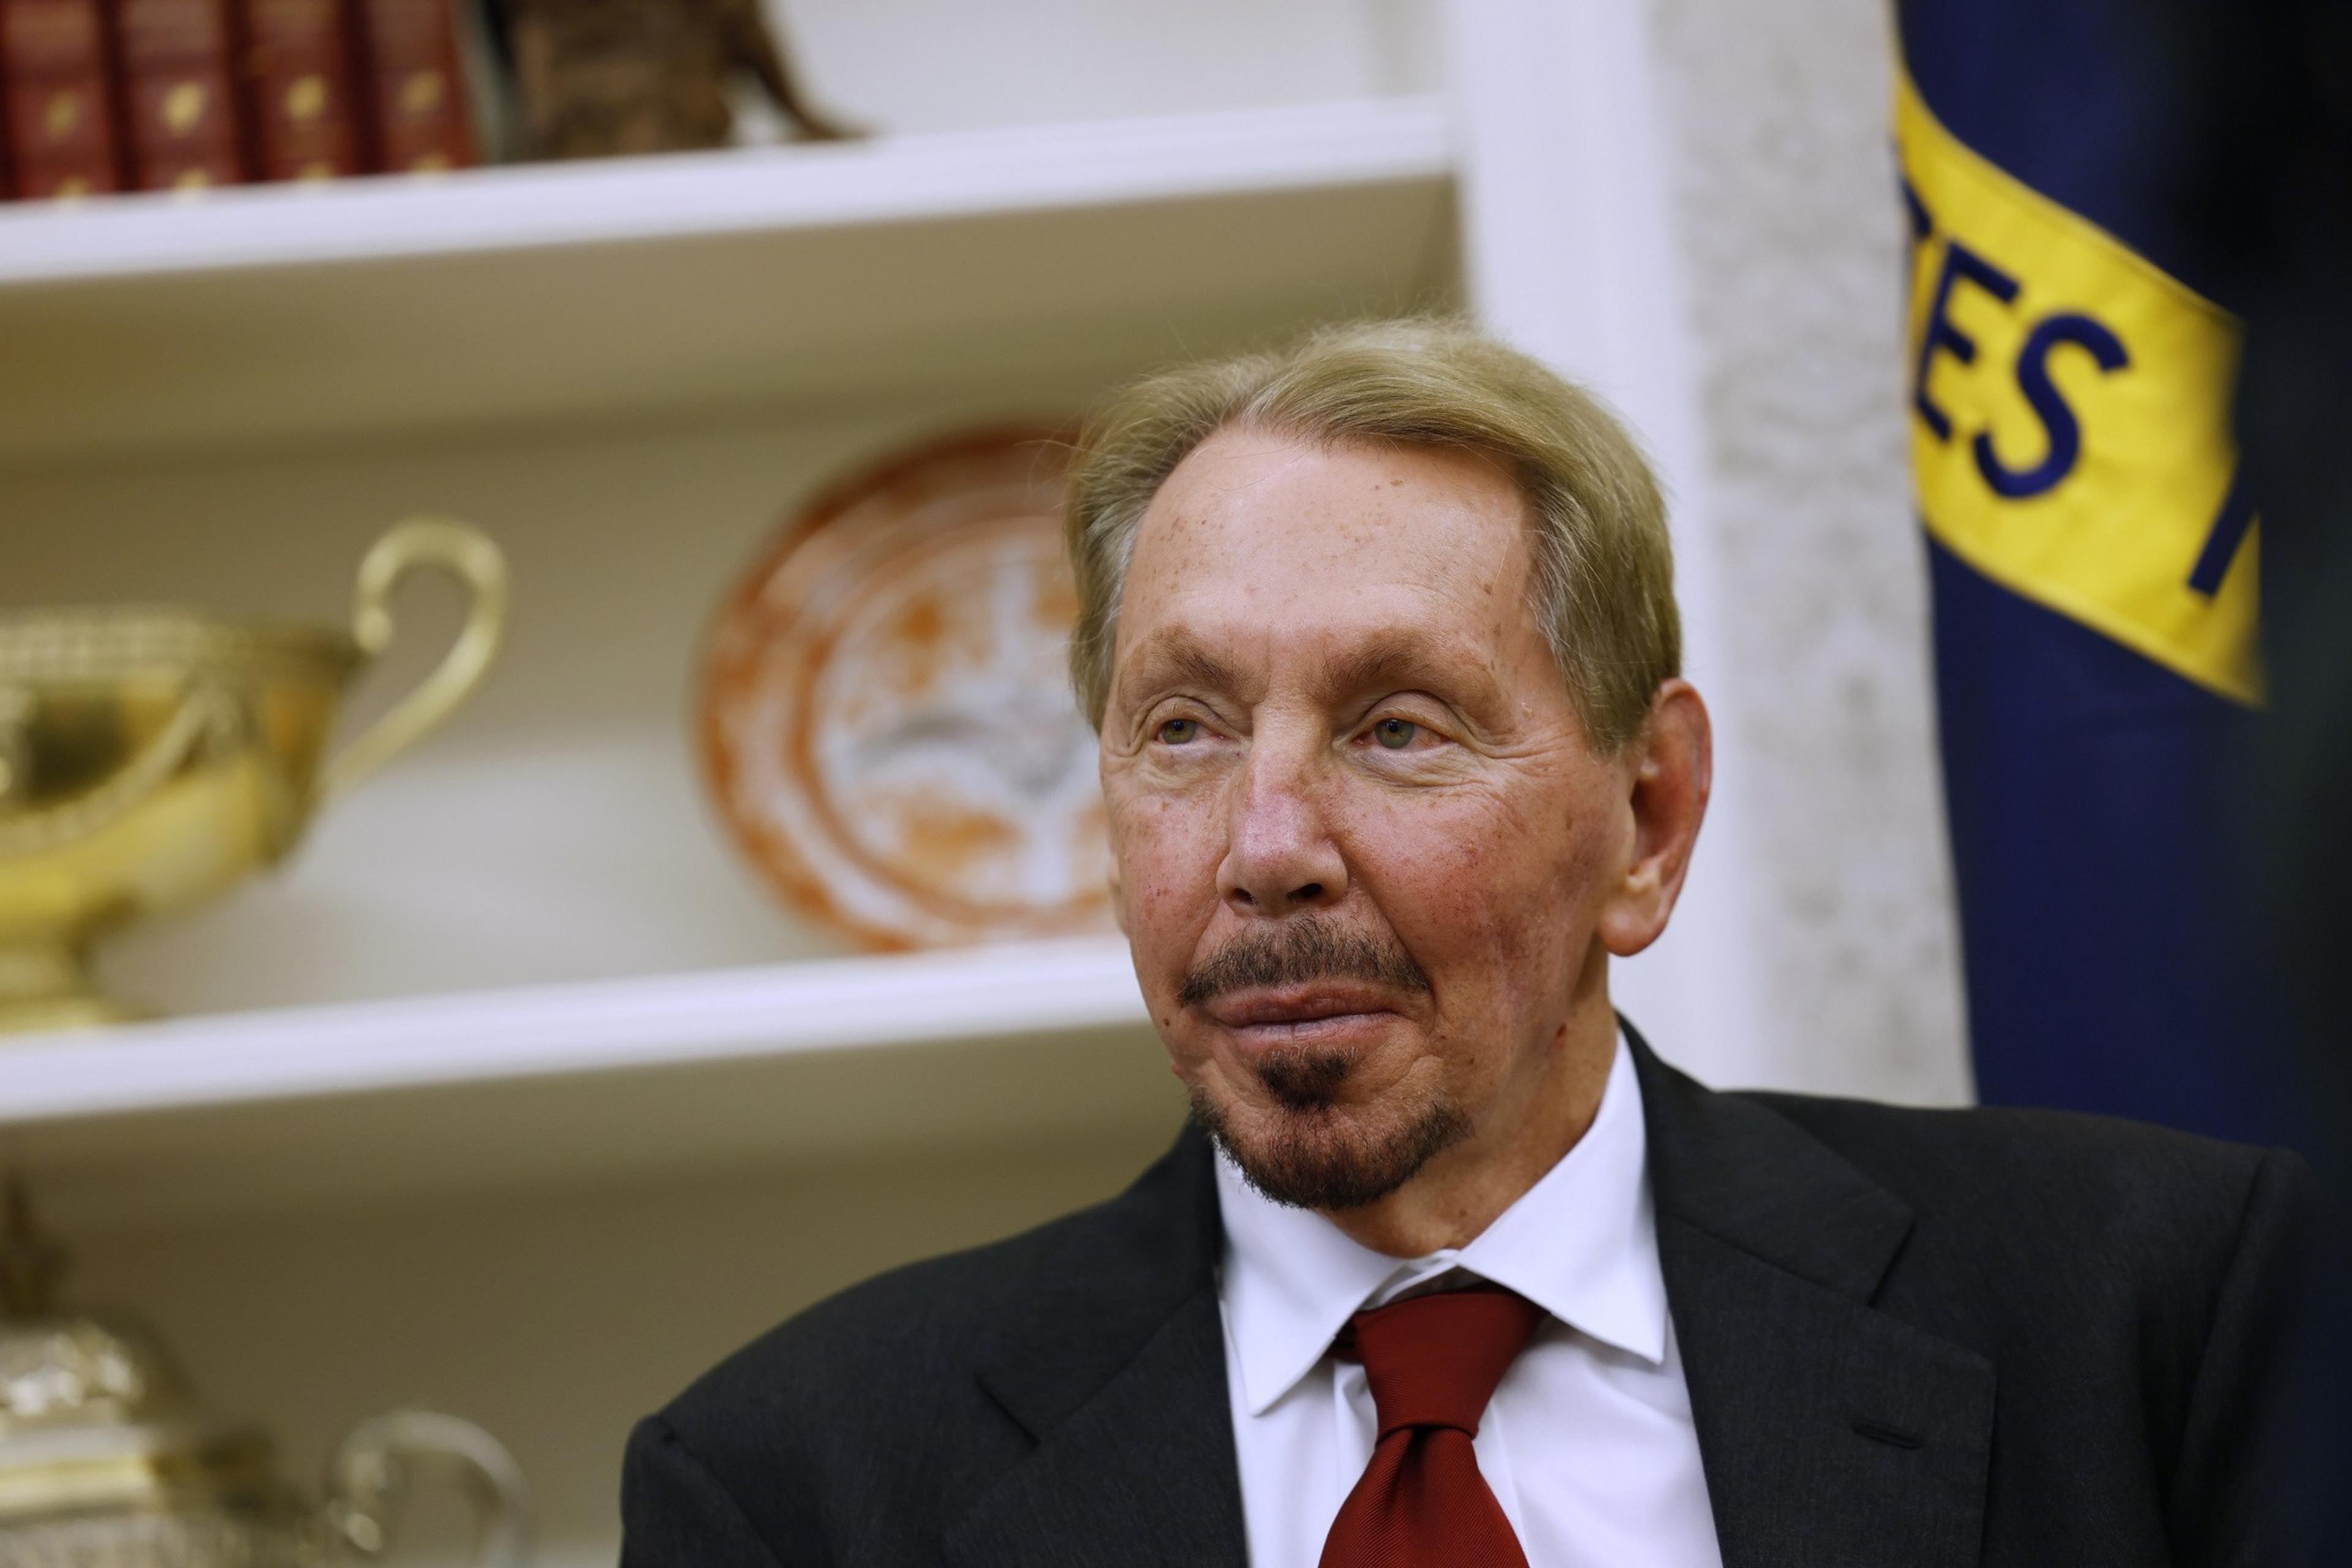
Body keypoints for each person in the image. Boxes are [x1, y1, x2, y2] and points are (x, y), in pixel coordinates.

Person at [619, 321, 2309, 1567]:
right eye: (1185, 733)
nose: (1265, 852)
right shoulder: (799, 1489)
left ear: (1644, 821)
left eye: (1399, 728)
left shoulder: (2138, 1307)